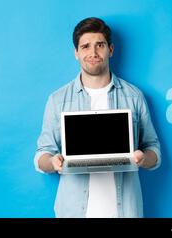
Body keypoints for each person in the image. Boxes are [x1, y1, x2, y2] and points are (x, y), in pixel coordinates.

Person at [33, 17, 161, 218]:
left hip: (125, 212)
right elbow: (42, 155)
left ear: (110, 50)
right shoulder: (57, 100)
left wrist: (143, 158)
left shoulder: (134, 96)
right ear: (76, 53)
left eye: (99, 45)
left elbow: (153, 149)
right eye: (85, 46)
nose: (92, 53)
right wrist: (53, 162)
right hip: (73, 212)